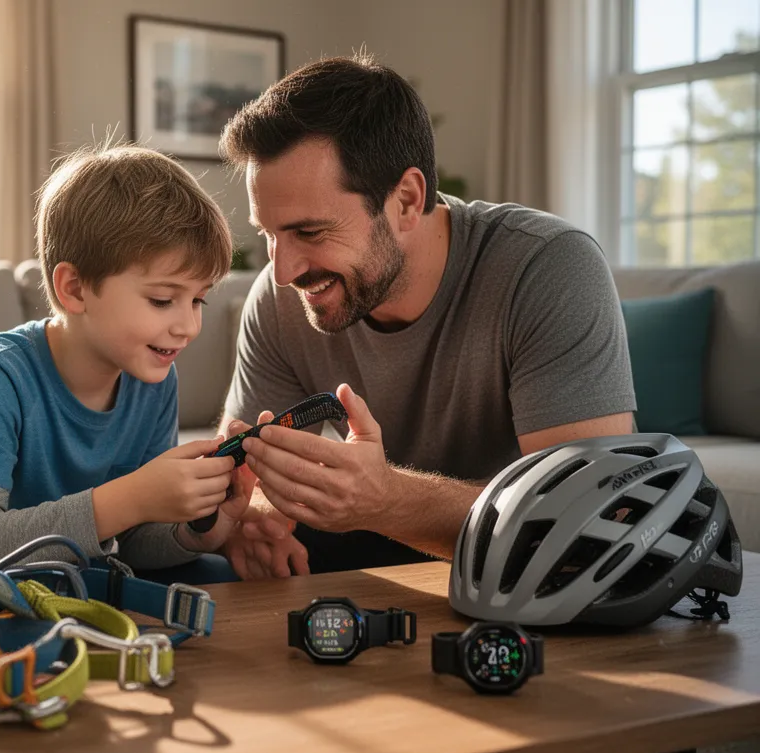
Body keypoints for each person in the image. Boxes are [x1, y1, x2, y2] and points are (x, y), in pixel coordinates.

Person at [215, 54, 637, 580]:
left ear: (407, 200)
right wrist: (255, 520)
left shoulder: (546, 266)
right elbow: (248, 487)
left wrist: (385, 498)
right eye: (269, 234)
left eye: (309, 231)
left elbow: (595, 516)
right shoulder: (277, 301)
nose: (282, 271)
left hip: (522, 578)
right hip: (362, 566)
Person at [0, 145, 249, 583]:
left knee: (218, 577)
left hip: (59, 585)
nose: (189, 326)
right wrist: (132, 498)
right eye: (162, 300)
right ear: (75, 289)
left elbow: (131, 542)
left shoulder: (153, 379)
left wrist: (203, 526)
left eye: (198, 300)